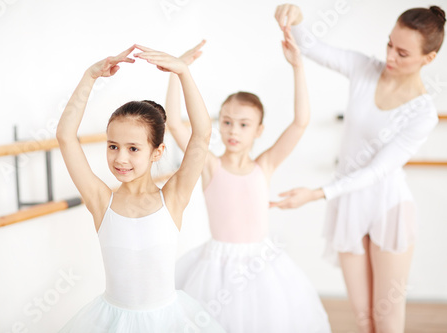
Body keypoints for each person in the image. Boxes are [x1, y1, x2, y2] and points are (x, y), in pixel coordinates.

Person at [271, 4, 445, 333]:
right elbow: (311, 46)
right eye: (389, 44)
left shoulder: (422, 114)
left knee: (388, 319)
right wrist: (295, 16)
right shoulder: (365, 69)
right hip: (349, 205)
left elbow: (378, 170)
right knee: (364, 318)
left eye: (403, 53)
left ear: (429, 59)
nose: (391, 56)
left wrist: (316, 194)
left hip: (388, 208)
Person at [166, 30, 331, 332]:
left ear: (259, 130)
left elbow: (300, 122)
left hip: (261, 267)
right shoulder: (209, 164)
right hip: (215, 266)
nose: (233, 131)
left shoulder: (264, 165)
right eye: (226, 122)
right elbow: (175, 123)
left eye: (244, 124)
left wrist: (298, 66)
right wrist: (177, 71)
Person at [56, 44, 225, 332]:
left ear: (157, 152)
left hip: (167, 321)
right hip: (113, 321)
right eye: (113, 146)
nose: (120, 158)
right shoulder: (100, 201)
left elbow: (202, 134)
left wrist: (183, 72)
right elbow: (65, 136)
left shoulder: (173, 197)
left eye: (133, 148)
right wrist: (89, 77)